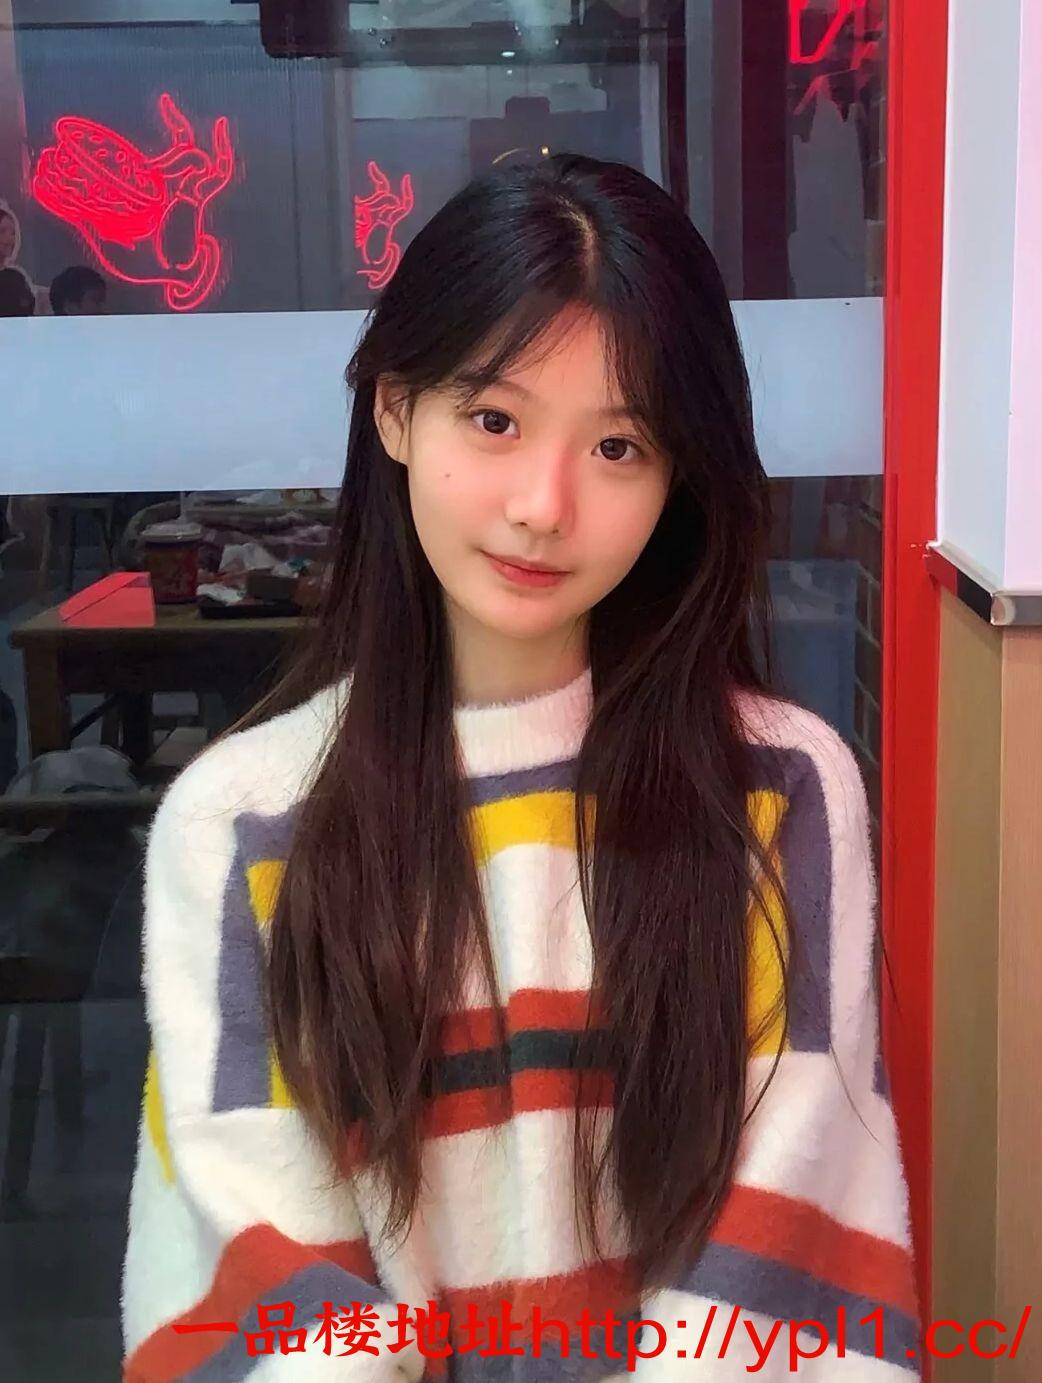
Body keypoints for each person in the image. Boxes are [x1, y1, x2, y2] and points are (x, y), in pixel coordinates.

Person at [121, 154, 919, 1380]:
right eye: (494, 421)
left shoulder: (779, 793)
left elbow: (789, 1232)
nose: (545, 506)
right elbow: (269, 1282)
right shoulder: (244, 824)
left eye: (620, 446)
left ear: (679, 478)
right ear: (395, 409)